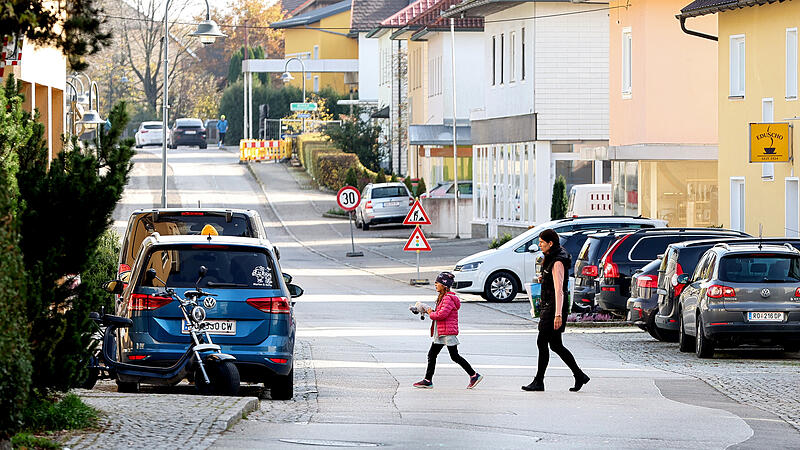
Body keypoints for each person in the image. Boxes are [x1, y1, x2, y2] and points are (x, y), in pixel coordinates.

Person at [522, 229, 590, 392]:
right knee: (556, 345)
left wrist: (558, 314)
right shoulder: (551, 258)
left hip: (553, 308)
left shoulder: (558, 261)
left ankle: (539, 381)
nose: (539, 245)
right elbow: (552, 282)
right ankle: (579, 375)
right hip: (549, 306)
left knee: (542, 342)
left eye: (541, 242)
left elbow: (560, 289)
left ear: (550, 243)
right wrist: (543, 279)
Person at [413, 272, 483, 389]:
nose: (435, 284)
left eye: (438, 282)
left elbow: (440, 315)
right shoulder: (442, 298)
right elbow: (438, 314)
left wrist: (429, 311)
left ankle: (474, 375)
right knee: (432, 354)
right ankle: (427, 380)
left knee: (454, 356)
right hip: (441, 332)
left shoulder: (448, 299)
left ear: (445, 285)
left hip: (447, 333)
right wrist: (422, 310)